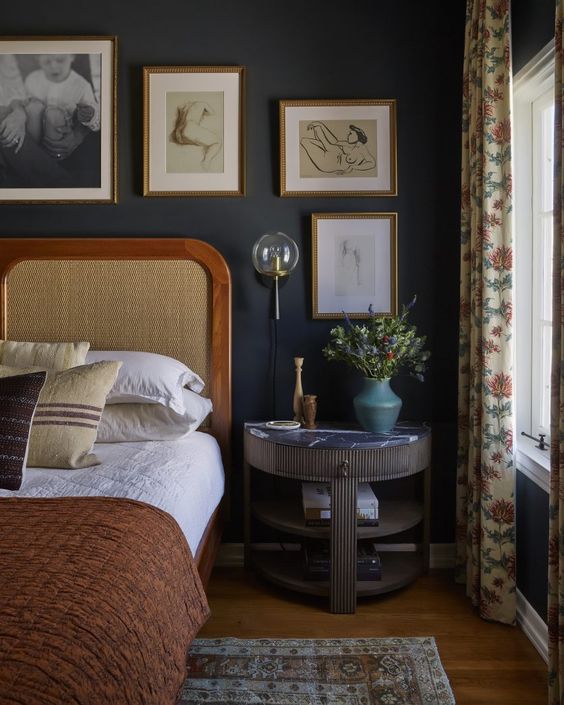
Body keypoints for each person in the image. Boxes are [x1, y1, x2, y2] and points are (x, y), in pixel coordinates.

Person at [0, 54, 73, 188]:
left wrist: (18, 112)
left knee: (9, 123)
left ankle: (57, 183)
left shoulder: (5, 57)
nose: (54, 66)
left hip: (7, 112)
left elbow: (14, 93)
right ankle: (58, 183)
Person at [24, 54, 99, 163]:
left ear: (72, 56)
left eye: (60, 60)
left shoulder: (81, 85)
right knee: (33, 106)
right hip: (35, 132)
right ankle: (32, 157)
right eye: (47, 62)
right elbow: (26, 106)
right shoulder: (32, 79)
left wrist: (89, 114)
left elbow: (94, 117)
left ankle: (53, 161)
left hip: (59, 136)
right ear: (37, 60)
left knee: (53, 114)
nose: (53, 66)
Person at [301, 122, 376, 175]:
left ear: (358, 136)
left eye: (350, 134)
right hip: (332, 153)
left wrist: (353, 167)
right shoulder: (350, 144)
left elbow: (372, 163)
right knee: (316, 130)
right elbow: (334, 141)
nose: (348, 135)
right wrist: (321, 124)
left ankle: (318, 132)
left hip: (329, 163)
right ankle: (318, 128)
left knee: (305, 141)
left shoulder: (362, 149)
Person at [171, 100, 222, 170]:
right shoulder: (203, 103)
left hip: (179, 134)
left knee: (200, 142)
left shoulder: (184, 106)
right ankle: (206, 161)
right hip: (191, 128)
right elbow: (213, 113)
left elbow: (179, 121)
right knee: (217, 142)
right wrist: (204, 113)